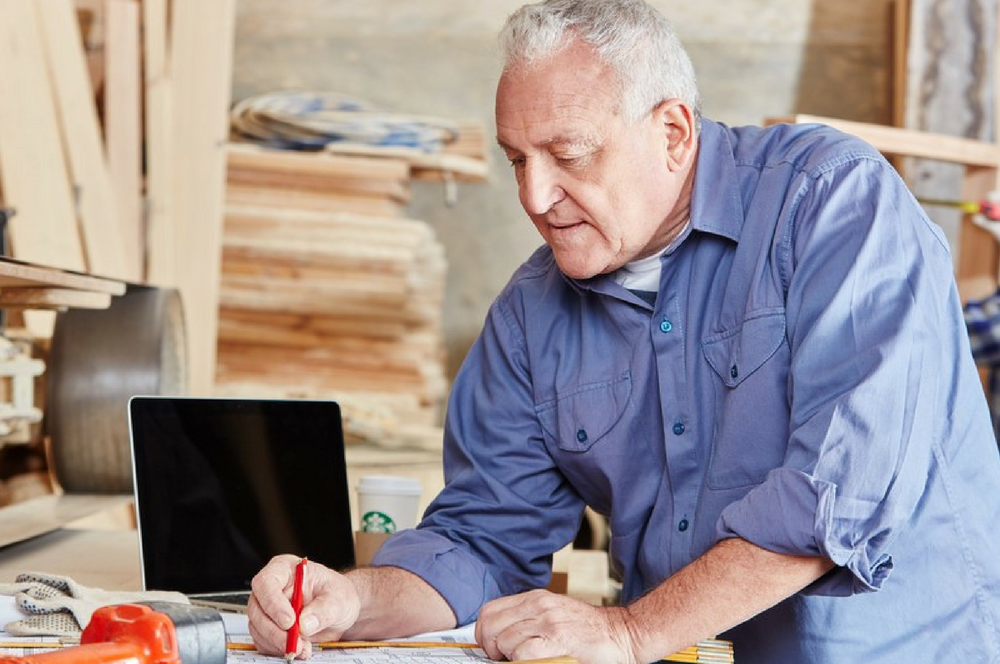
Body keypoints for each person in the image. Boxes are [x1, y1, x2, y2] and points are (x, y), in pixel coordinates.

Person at [247, 1, 1000, 662]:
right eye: (517, 159)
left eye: (567, 155)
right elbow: (482, 542)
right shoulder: (528, 316)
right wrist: (351, 600)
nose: (535, 196)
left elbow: (837, 499)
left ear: (673, 131)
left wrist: (630, 633)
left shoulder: (830, 202)